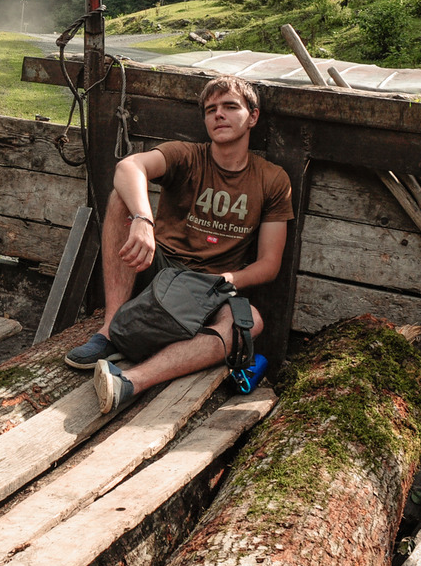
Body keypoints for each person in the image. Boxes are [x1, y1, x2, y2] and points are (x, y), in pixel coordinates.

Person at [65, 75, 294, 413]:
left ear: (253, 117)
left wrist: (226, 281)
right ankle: (110, 332)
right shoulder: (187, 156)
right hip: (156, 266)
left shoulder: (273, 179)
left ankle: (128, 382)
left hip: (211, 285)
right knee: (119, 198)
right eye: (211, 109)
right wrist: (143, 219)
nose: (219, 115)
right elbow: (129, 166)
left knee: (252, 322)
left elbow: (269, 265)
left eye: (230, 107)